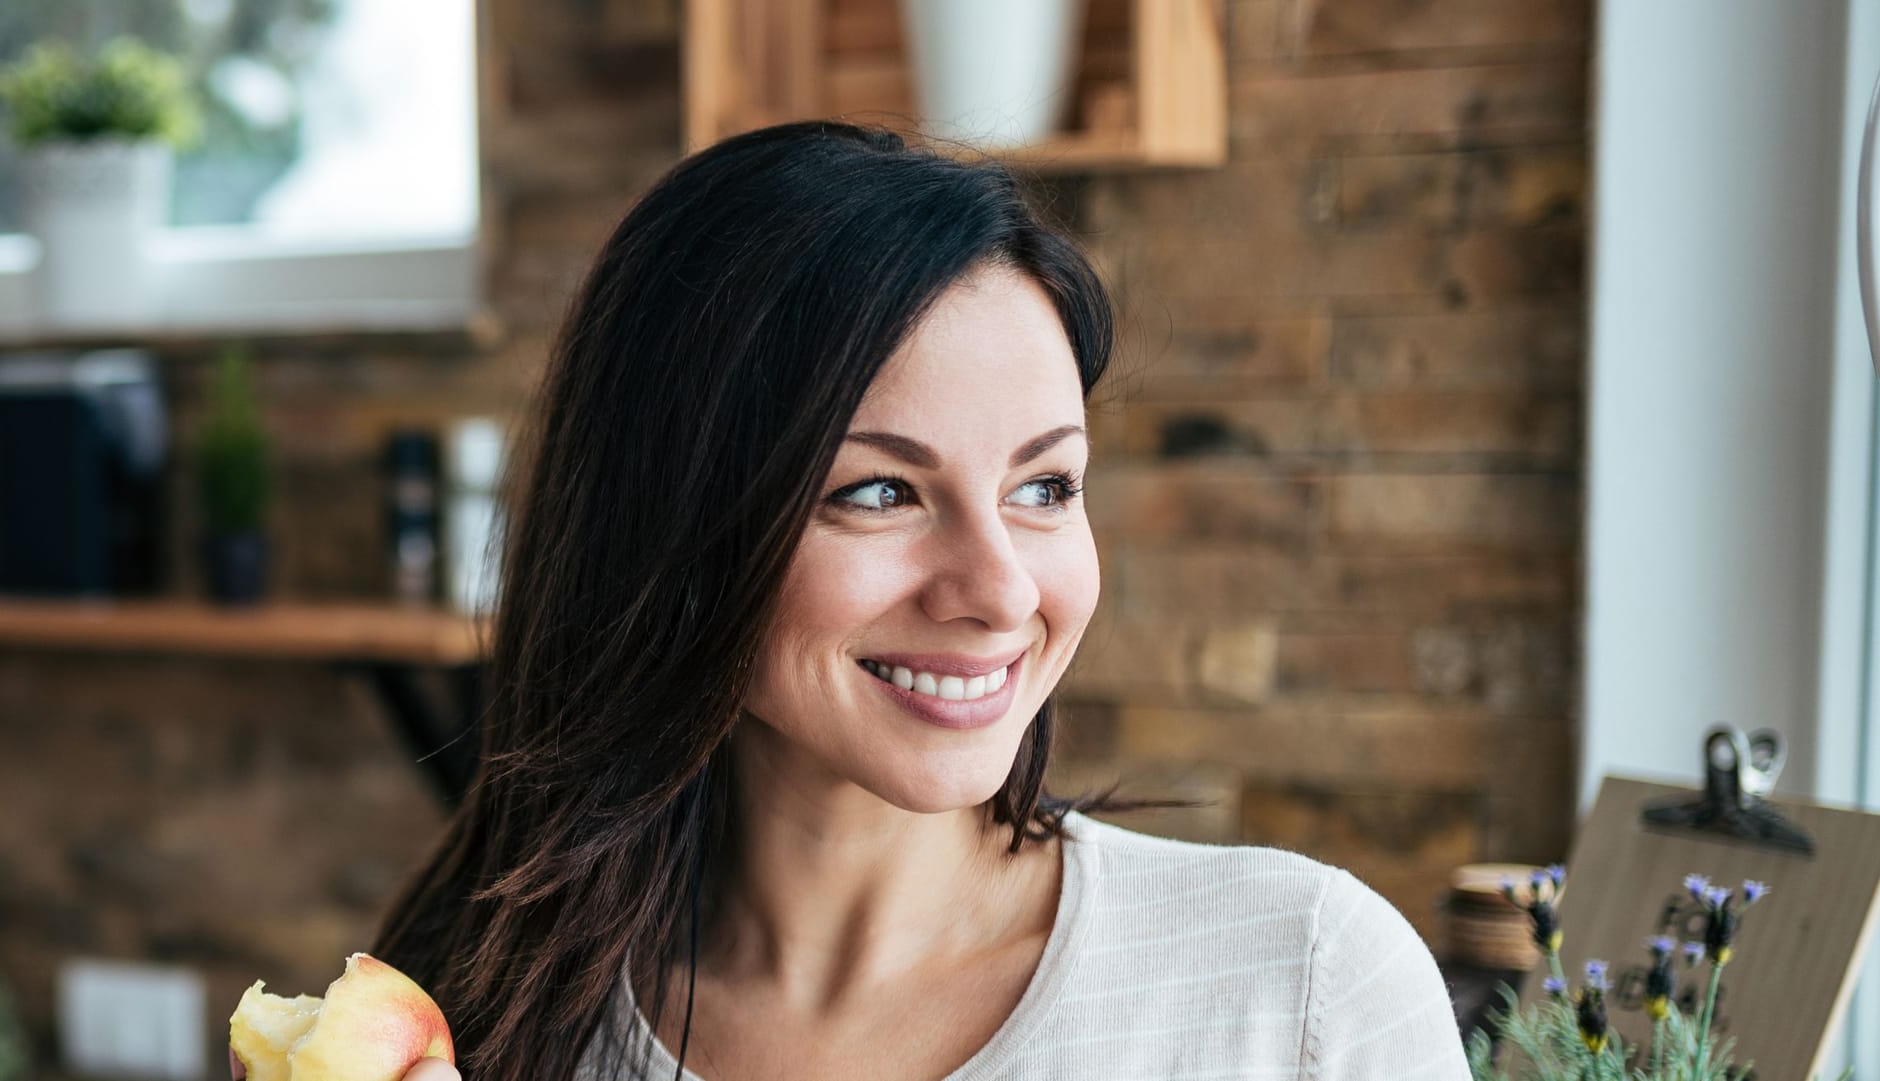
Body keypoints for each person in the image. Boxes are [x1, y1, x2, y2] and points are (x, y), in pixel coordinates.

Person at [360, 121, 1468, 1081]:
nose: (999, 589)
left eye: (1044, 486)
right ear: (672, 529)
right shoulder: (487, 1017)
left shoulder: (1302, 986)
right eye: (881, 490)